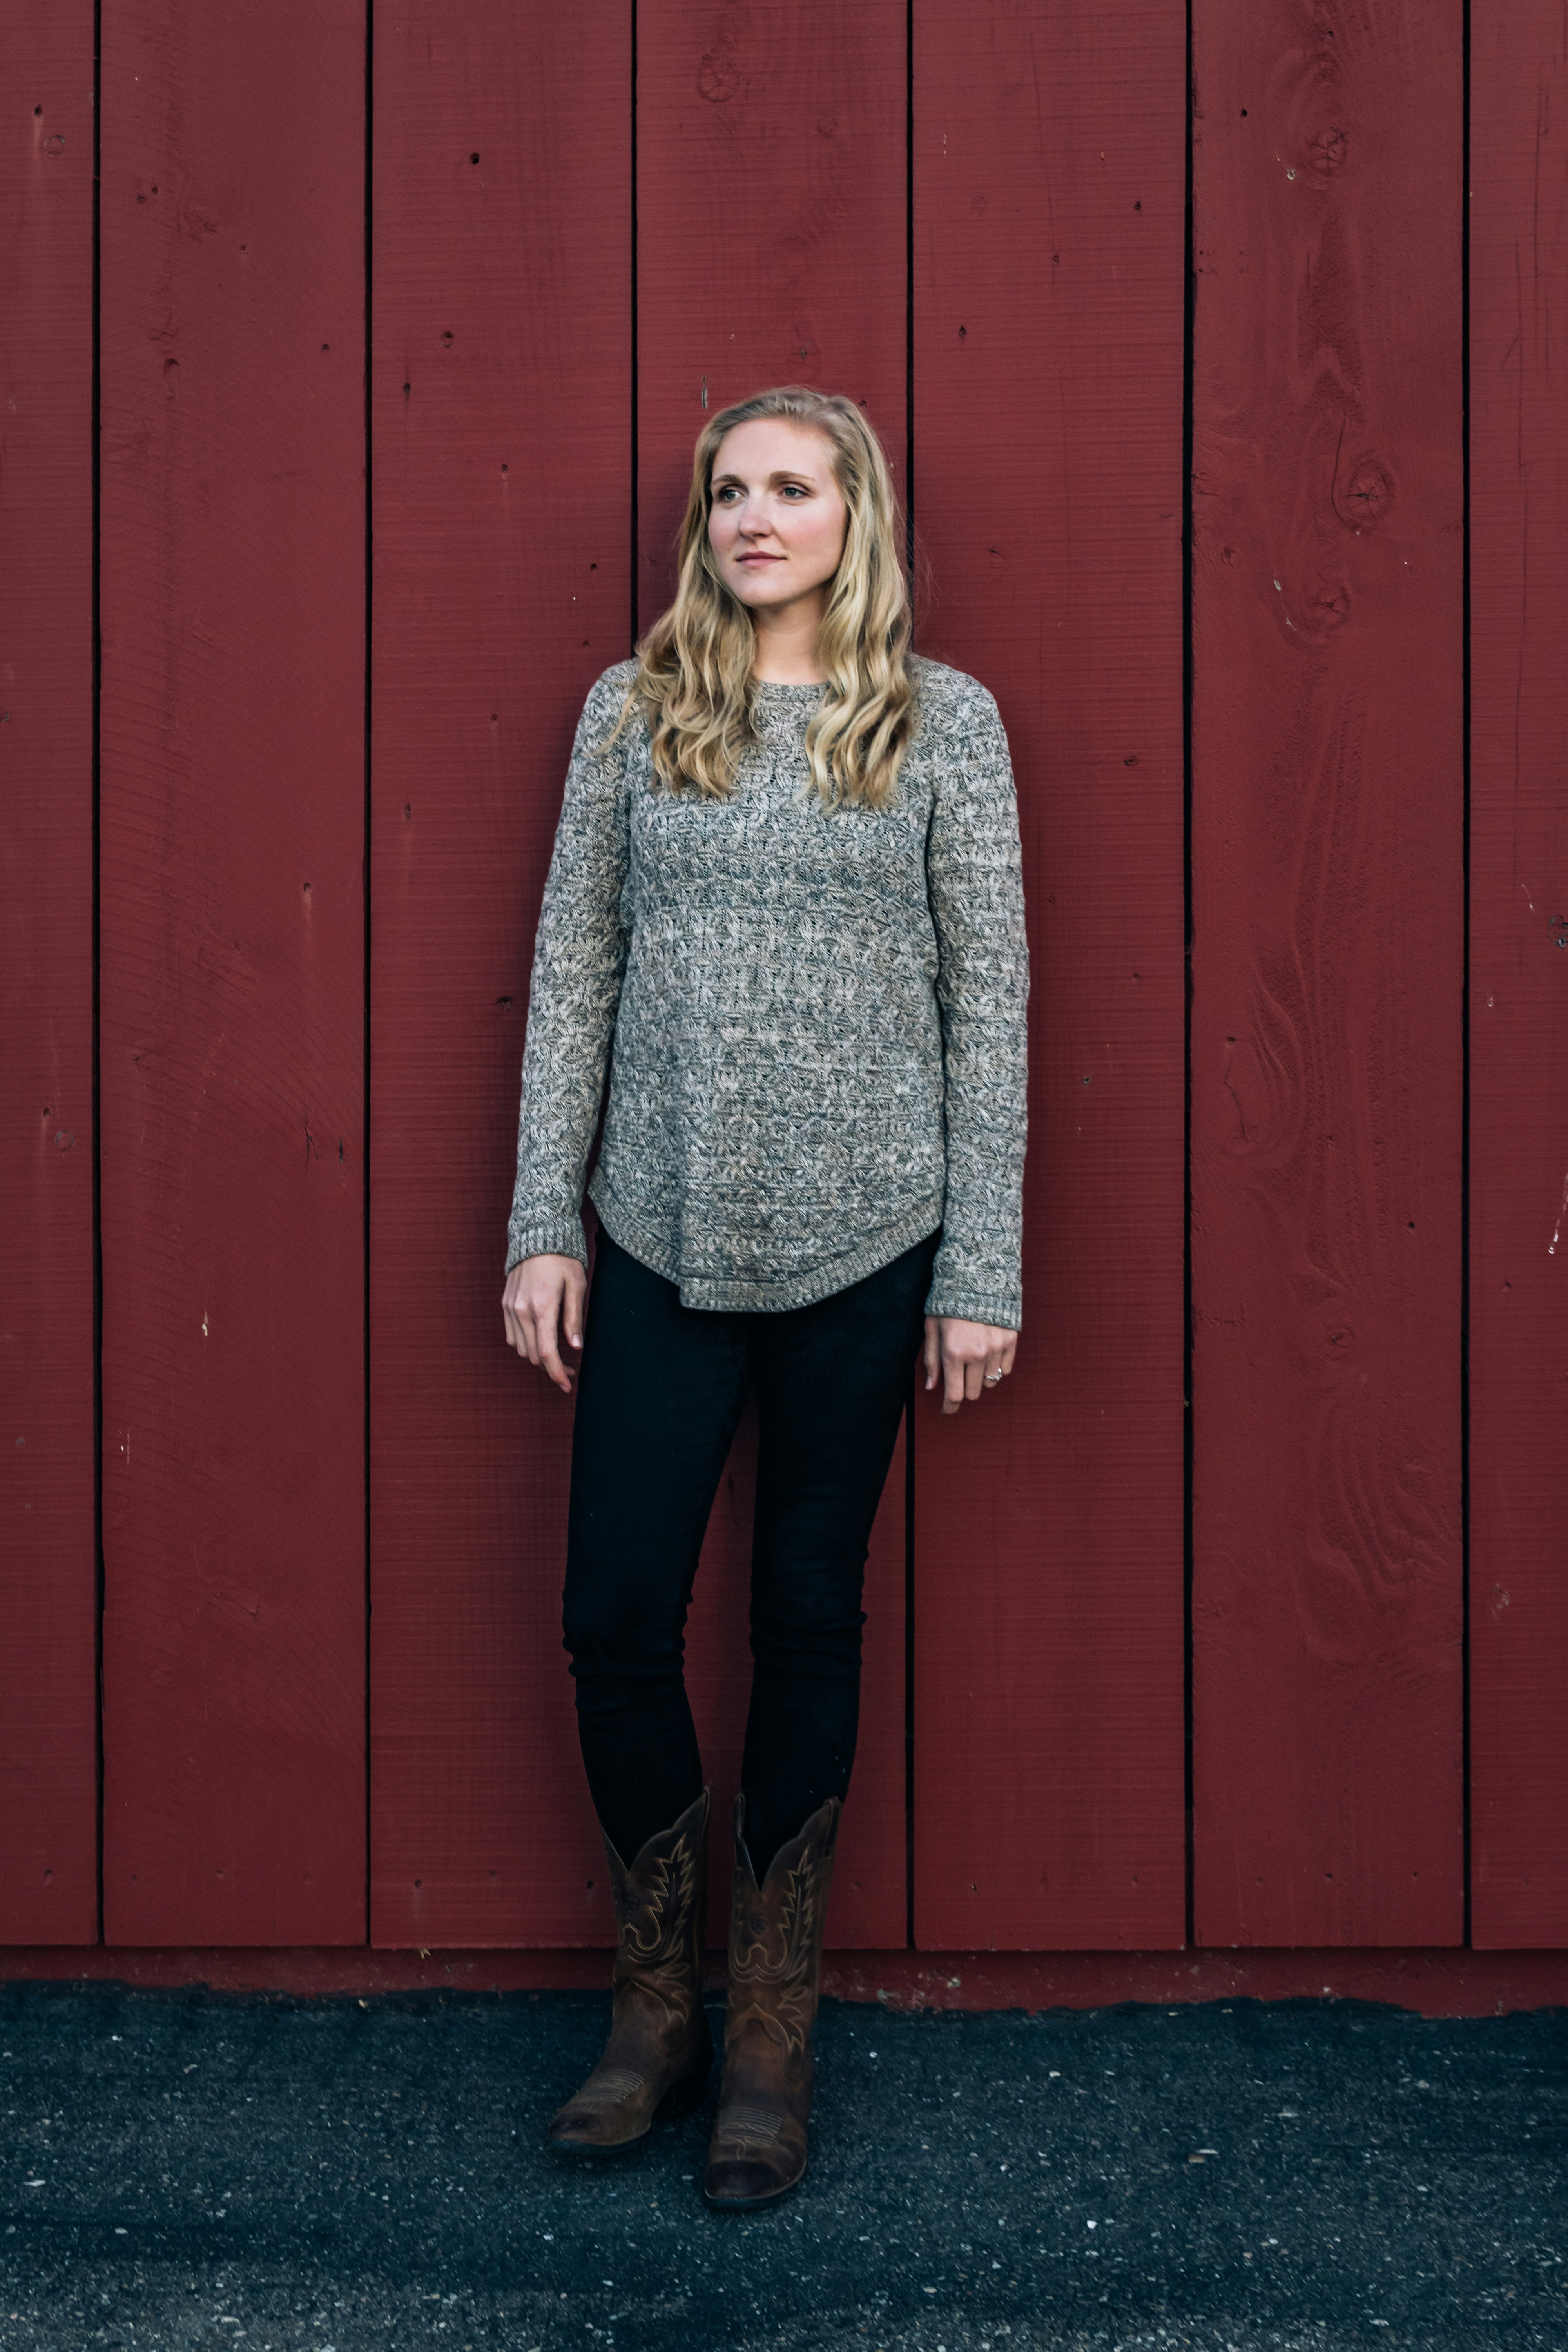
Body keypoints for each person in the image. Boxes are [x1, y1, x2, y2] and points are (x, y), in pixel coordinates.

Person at [500, 384, 1028, 2209]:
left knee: (808, 1618)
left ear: (851, 515)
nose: (751, 517)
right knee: (613, 1615)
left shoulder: (942, 726)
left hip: (867, 1245)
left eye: (789, 488)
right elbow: (572, 967)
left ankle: (770, 2037)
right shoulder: (633, 715)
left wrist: (982, 1267)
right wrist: (539, 1223)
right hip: (654, 1233)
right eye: (729, 491)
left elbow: (993, 1010)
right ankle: (657, 2007)